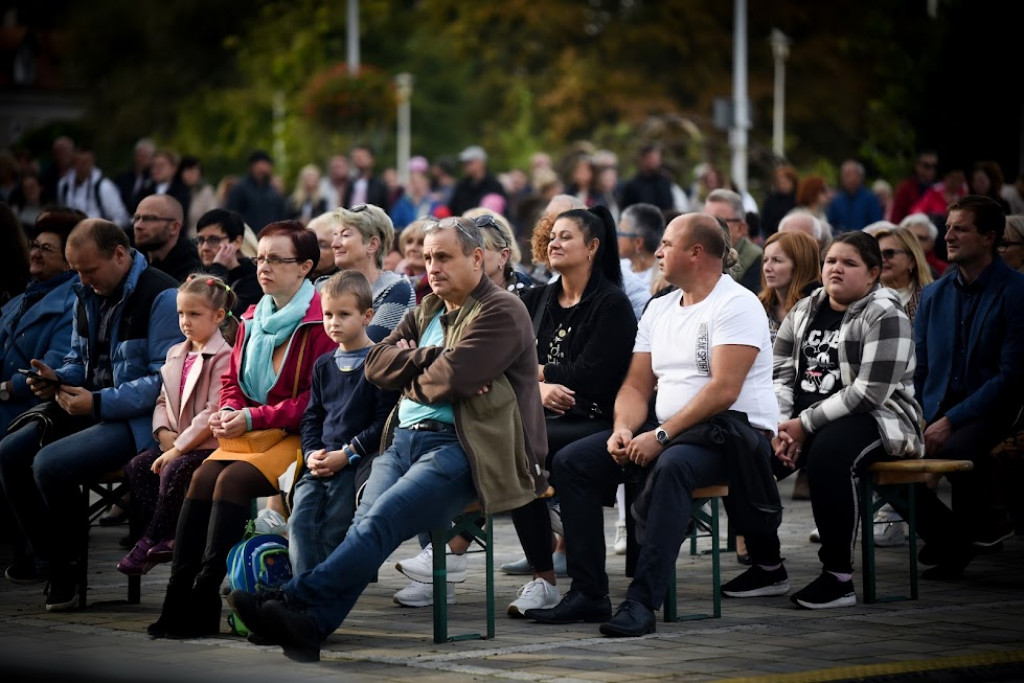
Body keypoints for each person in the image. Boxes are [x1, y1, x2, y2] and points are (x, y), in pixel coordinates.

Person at [228, 216, 548, 662]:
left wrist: (416, 368)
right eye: (429, 257)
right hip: (402, 442)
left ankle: (288, 599)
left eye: (443, 257)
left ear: (477, 259)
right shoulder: (428, 309)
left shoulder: (501, 310)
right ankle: (309, 627)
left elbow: (456, 379)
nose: (431, 267)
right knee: (365, 525)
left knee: (379, 523)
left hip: (465, 448)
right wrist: (432, 361)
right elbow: (375, 365)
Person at [526, 213, 786, 637]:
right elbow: (635, 384)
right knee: (574, 462)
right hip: (666, 429)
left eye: (666, 243)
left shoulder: (736, 304)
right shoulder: (660, 306)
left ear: (696, 253)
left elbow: (723, 390)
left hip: (731, 434)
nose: (658, 250)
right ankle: (589, 593)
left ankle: (643, 602)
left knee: (672, 467)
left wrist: (661, 437)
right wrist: (623, 429)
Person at [149, 220, 334, 638]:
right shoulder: (251, 317)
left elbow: (313, 400)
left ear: (305, 266)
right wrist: (230, 409)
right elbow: (231, 381)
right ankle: (178, 598)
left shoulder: (320, 322)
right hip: (254, 433)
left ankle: (204, 597)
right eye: (260, 258)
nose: (264, 267)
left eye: (276, 259)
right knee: (200, 477)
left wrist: (251, 417)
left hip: (300, 437)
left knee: (229, 481)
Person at [0, 219, 181, 607]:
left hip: (135, 420)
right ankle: (47, 556)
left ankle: (67, 567)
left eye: (89, 270)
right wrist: (53, 378)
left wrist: (98, 402)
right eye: (76, 271)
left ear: (119, 254)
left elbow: (164, 380)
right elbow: (77, 359)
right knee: (10, 452)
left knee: (50, 463)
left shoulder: (162, 296)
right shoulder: (88, 290)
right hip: (86, 404)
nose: (82, 280)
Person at [773, 231, 923, 608]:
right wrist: (779, 424)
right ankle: (766, 565)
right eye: (830, 261)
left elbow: (869, 392)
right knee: (752, 453)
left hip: (879, 417)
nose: (836, 269)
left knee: (828, 455)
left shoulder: (886, 314)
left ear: (873, 273)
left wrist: (804, 425)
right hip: (800, 419)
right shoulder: (805, 309)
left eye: (849, 263)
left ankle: (838, 578)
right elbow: (780, 372)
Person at [913, 195, 1024, 578]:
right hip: (934, 407)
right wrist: (919, 417)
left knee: (957, 447)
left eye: (961, 228)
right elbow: (920, 367)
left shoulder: (1016, 292)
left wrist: (951, 420)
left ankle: (959, 541)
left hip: (992, 409)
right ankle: (952, 536)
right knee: (880, 453)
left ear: (989, 237)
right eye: (947, 227)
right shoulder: (934, 294)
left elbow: (1011, 376)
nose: (949, 236)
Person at [116, 275, 235, 575]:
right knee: (138, 467)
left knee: (173, 468)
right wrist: (163, 434)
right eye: (181, 314)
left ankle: (153, 538)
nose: (185, 321)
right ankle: (170, 531)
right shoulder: (175, 353)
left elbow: (213, 411)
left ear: (218, 316)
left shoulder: (224, 356)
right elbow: (161, 401)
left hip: (208, 446)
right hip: (177, 444)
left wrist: (178, 448)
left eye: (194, 314)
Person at [289, 271, 399, 574]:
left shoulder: (378, 361)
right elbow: (312, 416)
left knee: (334, 526)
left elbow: (384, 422)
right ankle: (305, 590)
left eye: (343, 314)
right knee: (300, 520)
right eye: (327, 314)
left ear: (367, 316)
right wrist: (312, 454)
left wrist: (348, 453)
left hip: (356, 463)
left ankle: (322, 590)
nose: (333, 322)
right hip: (322, 460)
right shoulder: (324, 364)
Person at [0, 211, 80, 435]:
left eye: (46, 249)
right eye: (34, 246)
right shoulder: (23, 298)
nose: (35, 253)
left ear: (68, 262)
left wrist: (6, 388)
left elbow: (52, 367)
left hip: (30, 410)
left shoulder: (74, 305)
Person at [316, 204, 415, 341]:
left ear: (372, 244)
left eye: (345, 235)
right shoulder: (322, 287)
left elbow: (369, 348)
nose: (335, 244)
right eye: (335, 236)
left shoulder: (396, 289)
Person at [194, 209, 262, 316]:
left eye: (214, 240)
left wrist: (218, 269)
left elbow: (214, 315)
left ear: (237, 242)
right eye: (200, 240)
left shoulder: (254, 280)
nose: (205, 247)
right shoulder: (195, 273)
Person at [758, 230, 822, 342]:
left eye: (777, 260)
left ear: (800, 265)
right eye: (765, 260)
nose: (767, 268)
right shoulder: (759, 306)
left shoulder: (818, 308)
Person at [56, 145, 130, 227]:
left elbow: (122, 218)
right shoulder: (64, 186)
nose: (82, 166)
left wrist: (104, 233)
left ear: (92, 162)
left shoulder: (104, 186)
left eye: (85, 162)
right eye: (78, 161)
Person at [132, 194, 202, 283]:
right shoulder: (132, 260)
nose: (138, 226)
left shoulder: (192, 270)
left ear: (174, 227)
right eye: (136, 218)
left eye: (149, 219)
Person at [705, 189, 763, 292]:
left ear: (741, 228)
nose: (707, 227)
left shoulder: (757, 260)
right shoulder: (700, 254)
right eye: (704, 219)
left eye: (717, 221)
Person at [874, 226, 933, 324]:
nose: (882, 260)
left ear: (911, 260)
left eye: (889, 253)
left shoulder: (932, 299)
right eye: (877, 255)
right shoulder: (863, 298)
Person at [227, 150, 287, 231]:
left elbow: (281, 216)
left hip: (269, 237)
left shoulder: (273, 191)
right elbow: (232, 215)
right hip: (247, 237)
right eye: (265, 165)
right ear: (255, 165)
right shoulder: (240, 188)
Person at [617, 203, 665, 291]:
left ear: (638, 242)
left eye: (620, 233)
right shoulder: (619, 267)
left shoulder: (661, 281)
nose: (616, 238)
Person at [131, 150, 191, 221]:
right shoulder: (146, 188)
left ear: (174, 168)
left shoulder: (182, 190)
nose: (156, 169)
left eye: (161, 165)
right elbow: (133, 208)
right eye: (153, 166)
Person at [448, 145, 506, 216]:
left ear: (481, 163)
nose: (465, 166)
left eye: (469, 163)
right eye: (464, 163)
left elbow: (504, 213)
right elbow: (452, 210)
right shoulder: (462, 186)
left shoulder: (494, 186)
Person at [826, 160, 882, 233]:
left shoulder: (870, 199)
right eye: (844, 175)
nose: (846, 178)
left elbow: (877, 225)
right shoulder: (837, 201)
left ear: (860, 176)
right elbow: (831, 226)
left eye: (849, 174)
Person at [621, 143, 673, 212]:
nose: (656, 162)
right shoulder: (633, 185)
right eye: (652, 158)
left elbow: (669, 207)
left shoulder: (664, 182)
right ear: (643, 160)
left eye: (658, 158)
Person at [891, 151, 939, 223]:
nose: (931, 170)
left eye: (934, 166)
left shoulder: (939, 189)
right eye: (926, 166)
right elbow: (896, 217)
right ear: (917, 166)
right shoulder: (905, 188)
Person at [180, 156, 219, 238]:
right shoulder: (177, 192)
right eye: (187, 171)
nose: (190, 175)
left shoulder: (206, 192)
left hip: (196, 237)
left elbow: (211, 216)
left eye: (194, 171)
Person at [398, 218, 430, 303]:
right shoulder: (397, 282)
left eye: (421, 243)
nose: (413, 248)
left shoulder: (438, 285)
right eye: (409, 242)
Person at [761, 166, 799, 238]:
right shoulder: (770, 200)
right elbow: (765, 222)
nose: (782, 185)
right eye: (780, 182)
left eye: (785, 182)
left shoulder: (798, 199)